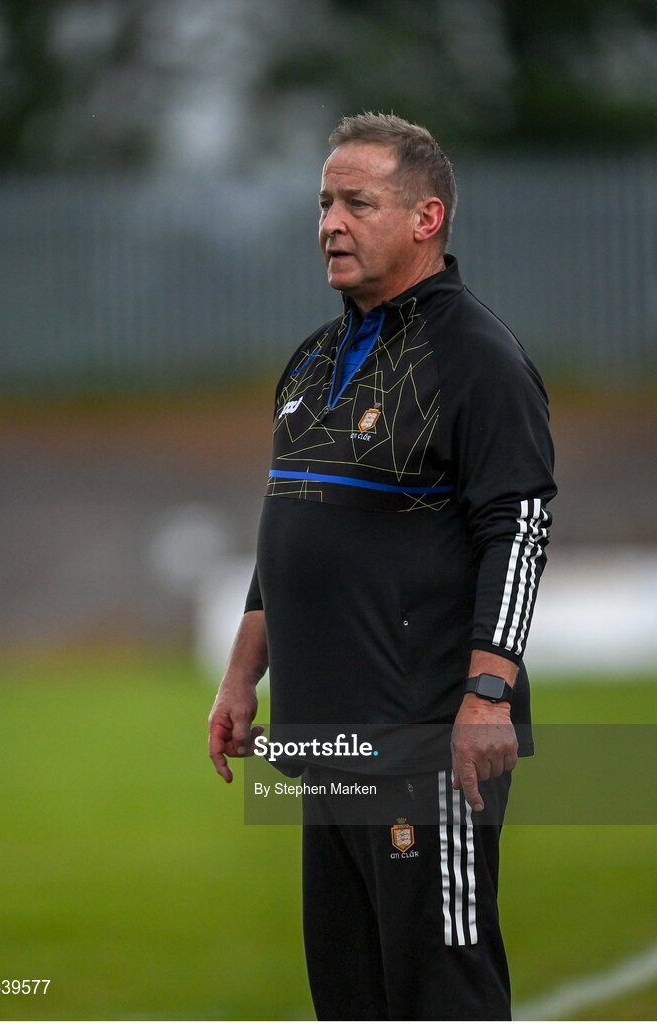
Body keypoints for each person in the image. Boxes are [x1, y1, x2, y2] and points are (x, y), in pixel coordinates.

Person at [208, 112, 556, 1021]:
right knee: (352, 998)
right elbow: (286, 532)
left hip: (424, 744)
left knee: (442, 996)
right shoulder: (312, 360)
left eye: (357, 203)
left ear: (425, 218)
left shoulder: (477, 356)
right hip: (327, 743)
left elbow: (517, 529)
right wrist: (243, 675)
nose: (330, 221)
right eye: (324, 201)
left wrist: (486, 697)